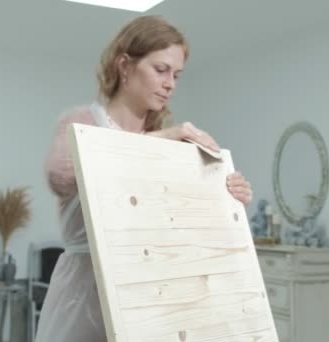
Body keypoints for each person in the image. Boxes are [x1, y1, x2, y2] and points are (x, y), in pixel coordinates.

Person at [36, 15, 253, 342]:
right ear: (125, 66)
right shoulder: (81, 122)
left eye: (177, 75)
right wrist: (166, 139)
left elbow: (182, 225)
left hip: (150, 292)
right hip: (84, 294)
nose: (171, 84)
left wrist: (226, 196)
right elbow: (61, 176)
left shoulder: (171, 143)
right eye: (161, 69)